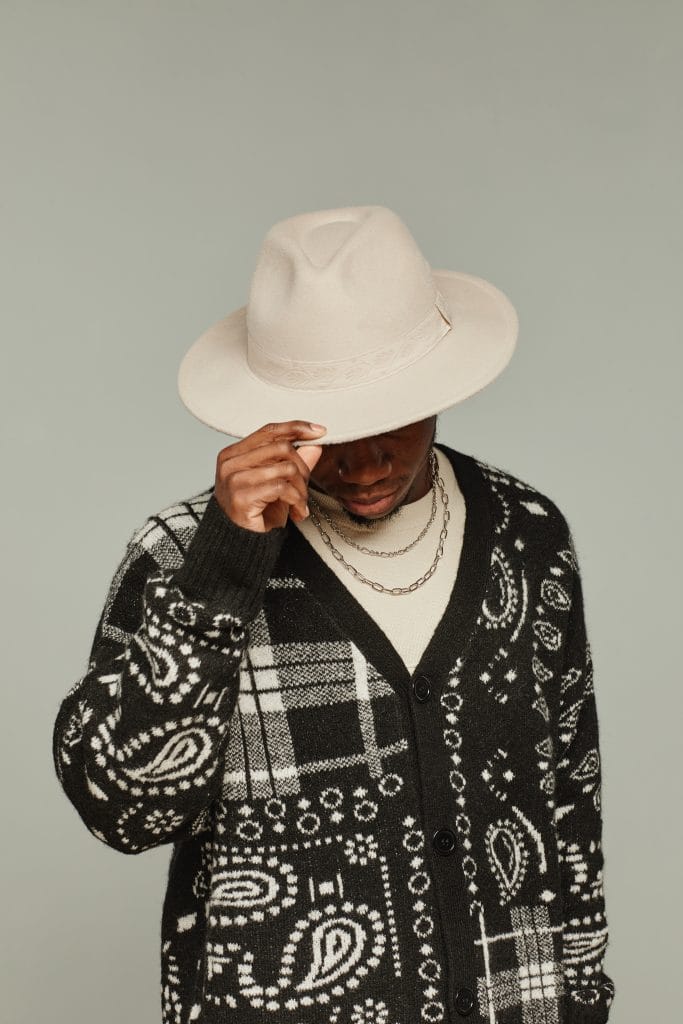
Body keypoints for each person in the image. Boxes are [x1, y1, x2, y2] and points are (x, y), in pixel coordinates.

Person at [52, 205, 615, 1023]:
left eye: (390, 415)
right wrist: (223, 573)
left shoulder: (524, 535)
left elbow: (569, 807)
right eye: (331, 428)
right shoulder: (183, 555)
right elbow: (124, 808)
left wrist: (584, 999)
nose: (365, 461)